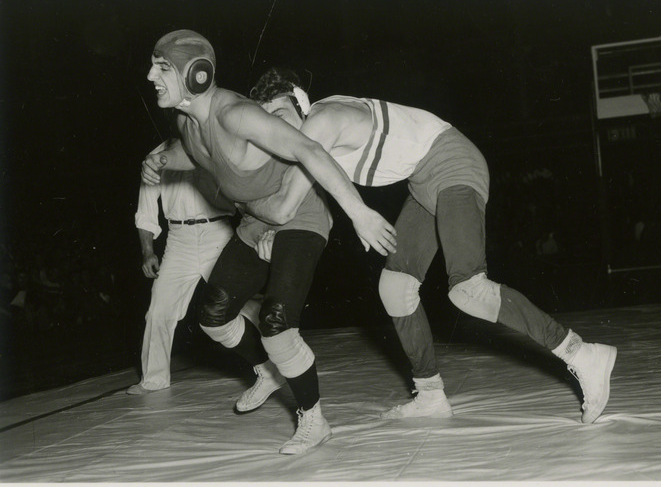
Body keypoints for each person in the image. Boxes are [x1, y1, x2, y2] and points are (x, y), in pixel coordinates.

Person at [244, 67, 617, 425]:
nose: (275, 125)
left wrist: (245, 201)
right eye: (268, 120)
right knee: (395, 287)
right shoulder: (311, 137)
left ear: (301, 104)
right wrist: (276, 228)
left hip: (452, 162)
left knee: (469, 289)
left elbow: (284, 204)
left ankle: (582, 353)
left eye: (279, 112)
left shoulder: (320, 122)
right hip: (423, 181)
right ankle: (430, 394)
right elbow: (300, 201)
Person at [140, 30, 397, 454]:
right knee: (213, 316)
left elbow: (311, 150)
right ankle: (267, 372)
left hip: (299, 213)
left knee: (277, 324)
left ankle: (313, 419)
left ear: (197, 74)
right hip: (258, 217)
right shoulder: (188, 120)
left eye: (162, 67)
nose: (151, 75)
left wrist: (360, 212)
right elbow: (200, 153)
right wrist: (163, 159)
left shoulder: (237, 114)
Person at [127, 140, 235, 395]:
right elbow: (146, 210)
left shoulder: (215, 142)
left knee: (239, 301)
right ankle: (154, 379)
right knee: (158, 309)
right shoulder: (154, 157)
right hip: (178, 239)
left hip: (218, 232)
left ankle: (271, 367)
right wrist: (148, 252)